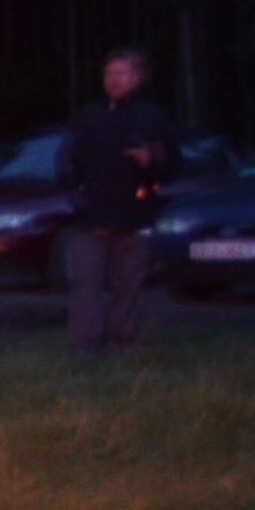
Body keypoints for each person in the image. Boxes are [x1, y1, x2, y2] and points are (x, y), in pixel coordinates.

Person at [58, 45, 178, 352]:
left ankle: (121, 341)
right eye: (109, 73)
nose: (114, 80)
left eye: (122, 73)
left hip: (133, 213)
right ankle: (84, 344)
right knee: (86, 281)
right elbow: (67, 158)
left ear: (138, 77)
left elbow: (172, 165)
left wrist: (150, 161)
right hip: (92, 213)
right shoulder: (90, 115)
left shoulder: (152, 117)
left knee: (128, 283)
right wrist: (76, 191)